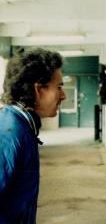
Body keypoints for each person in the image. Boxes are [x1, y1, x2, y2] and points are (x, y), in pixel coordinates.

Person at [0, 48, 66, 223]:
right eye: (58, 87)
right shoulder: (9, 134)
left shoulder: (23, 126)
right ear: (38, 89)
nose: (63, 95)